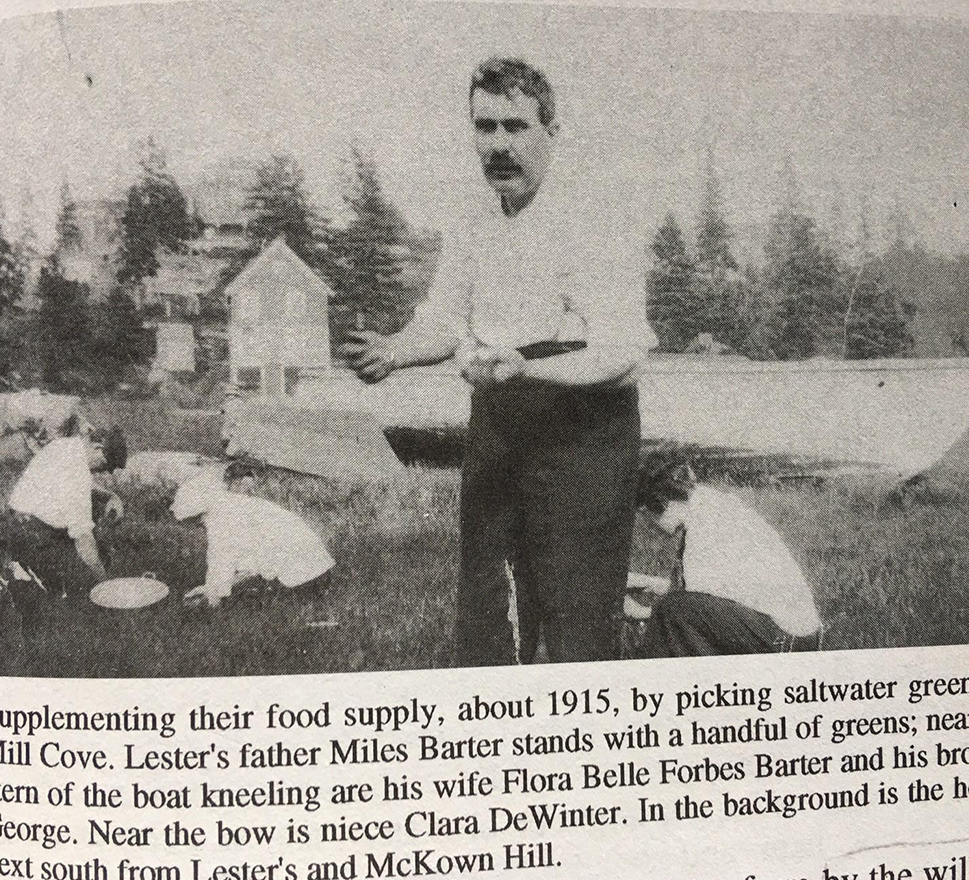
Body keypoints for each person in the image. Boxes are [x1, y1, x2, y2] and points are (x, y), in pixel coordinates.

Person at [340, 57, 656, 665]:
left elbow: (620, 355)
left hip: (583, 436)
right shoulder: (472, 218)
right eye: (486, 128)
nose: (499, 146)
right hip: (499, 427)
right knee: (488, 612)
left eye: (516, 127)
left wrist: (523, 368)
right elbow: (444, 318)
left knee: (578, 624)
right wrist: (392, 352)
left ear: (551, 132)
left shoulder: (596, 218)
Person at [625, 456, 823, 656]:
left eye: (646, 514)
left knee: (672, 611)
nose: (651, 525)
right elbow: (710, 591)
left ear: (663, 504)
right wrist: (643, 581)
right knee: (678, 607)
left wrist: (639, 613)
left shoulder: (701, 530)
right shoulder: (711, 504)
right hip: (800, 631)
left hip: (785, 639)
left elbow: (691, 603)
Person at [170, 463, 334, 606]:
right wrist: (209, 589)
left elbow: (221, 561)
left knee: (267, 603)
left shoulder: (221, 516)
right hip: (321, 572)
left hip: (304, 579)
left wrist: (212, 599)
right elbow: (250, 568)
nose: (198, 526)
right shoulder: (235, 504)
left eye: (195, 521)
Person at [0, 423, 127, 599]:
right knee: (77, 585)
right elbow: (83, 538)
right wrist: (105, 584)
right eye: (104, 466)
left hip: (14, 521)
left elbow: (83, 482)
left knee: (94, 518)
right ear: (98, 448)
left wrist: (111, 496)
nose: (101, 473)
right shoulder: (77, 473)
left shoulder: (66, 445)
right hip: (31, 536)